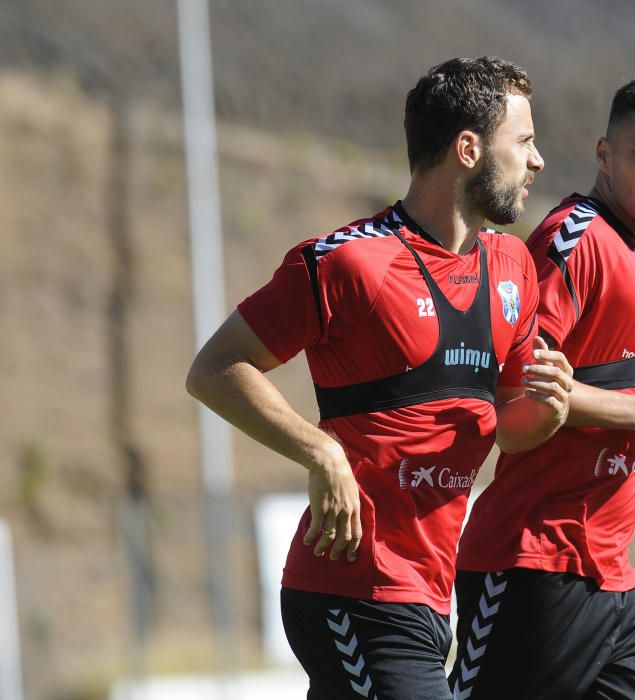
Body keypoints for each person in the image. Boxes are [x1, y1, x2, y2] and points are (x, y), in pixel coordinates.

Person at [186, 56, 573, 700]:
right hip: (350, 593)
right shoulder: (353, 264)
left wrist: (548, 412)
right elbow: (215, 368)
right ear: (469, 148)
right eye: (525, 141)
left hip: (431, 600)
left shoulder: (513, 268)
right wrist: (321, 451)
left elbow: (508, 425)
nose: (537, 161)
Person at [450, 71, 635, 699]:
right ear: (604, 154)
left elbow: (615, 380)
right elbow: (516, 386)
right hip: (531, 565)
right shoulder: (575, 241)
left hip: (610, 575)